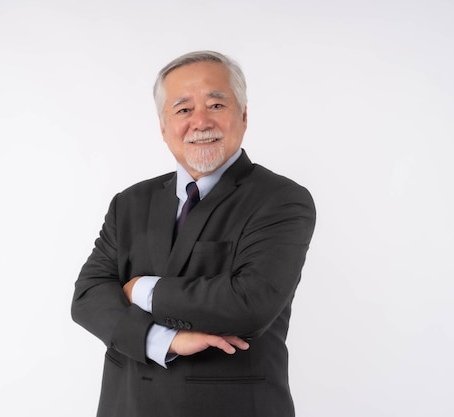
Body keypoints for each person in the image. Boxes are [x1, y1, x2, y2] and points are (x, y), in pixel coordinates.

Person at [71, 50, 316, 417]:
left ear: (244, 115)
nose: (200, 122)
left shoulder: (281, 201)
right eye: (183, 109)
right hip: (127, 406)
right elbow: (88, 297)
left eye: (216, 104)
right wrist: (165, 340)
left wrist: (139, 288)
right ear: (163, 125)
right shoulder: (130, 202)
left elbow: (249, 303)